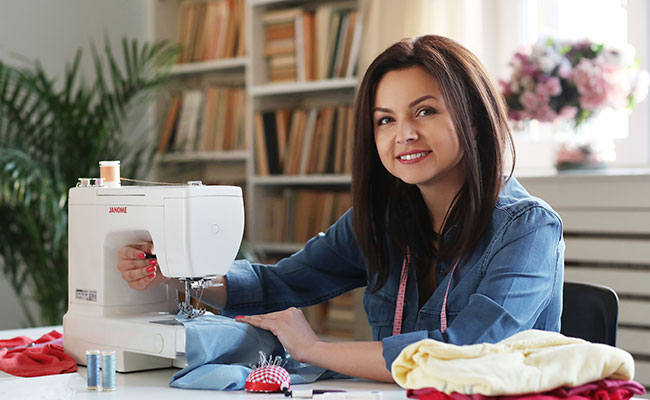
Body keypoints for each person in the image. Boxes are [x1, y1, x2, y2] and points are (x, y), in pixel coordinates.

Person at [117, 35, 564, 383]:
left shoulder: (527, 228)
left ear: (472, 119)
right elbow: (279, 284)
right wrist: (175, 271)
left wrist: (313, 348)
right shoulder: (385, 218)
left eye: (424, 111)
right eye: (385, 119)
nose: (402, 134)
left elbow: (462, 352)